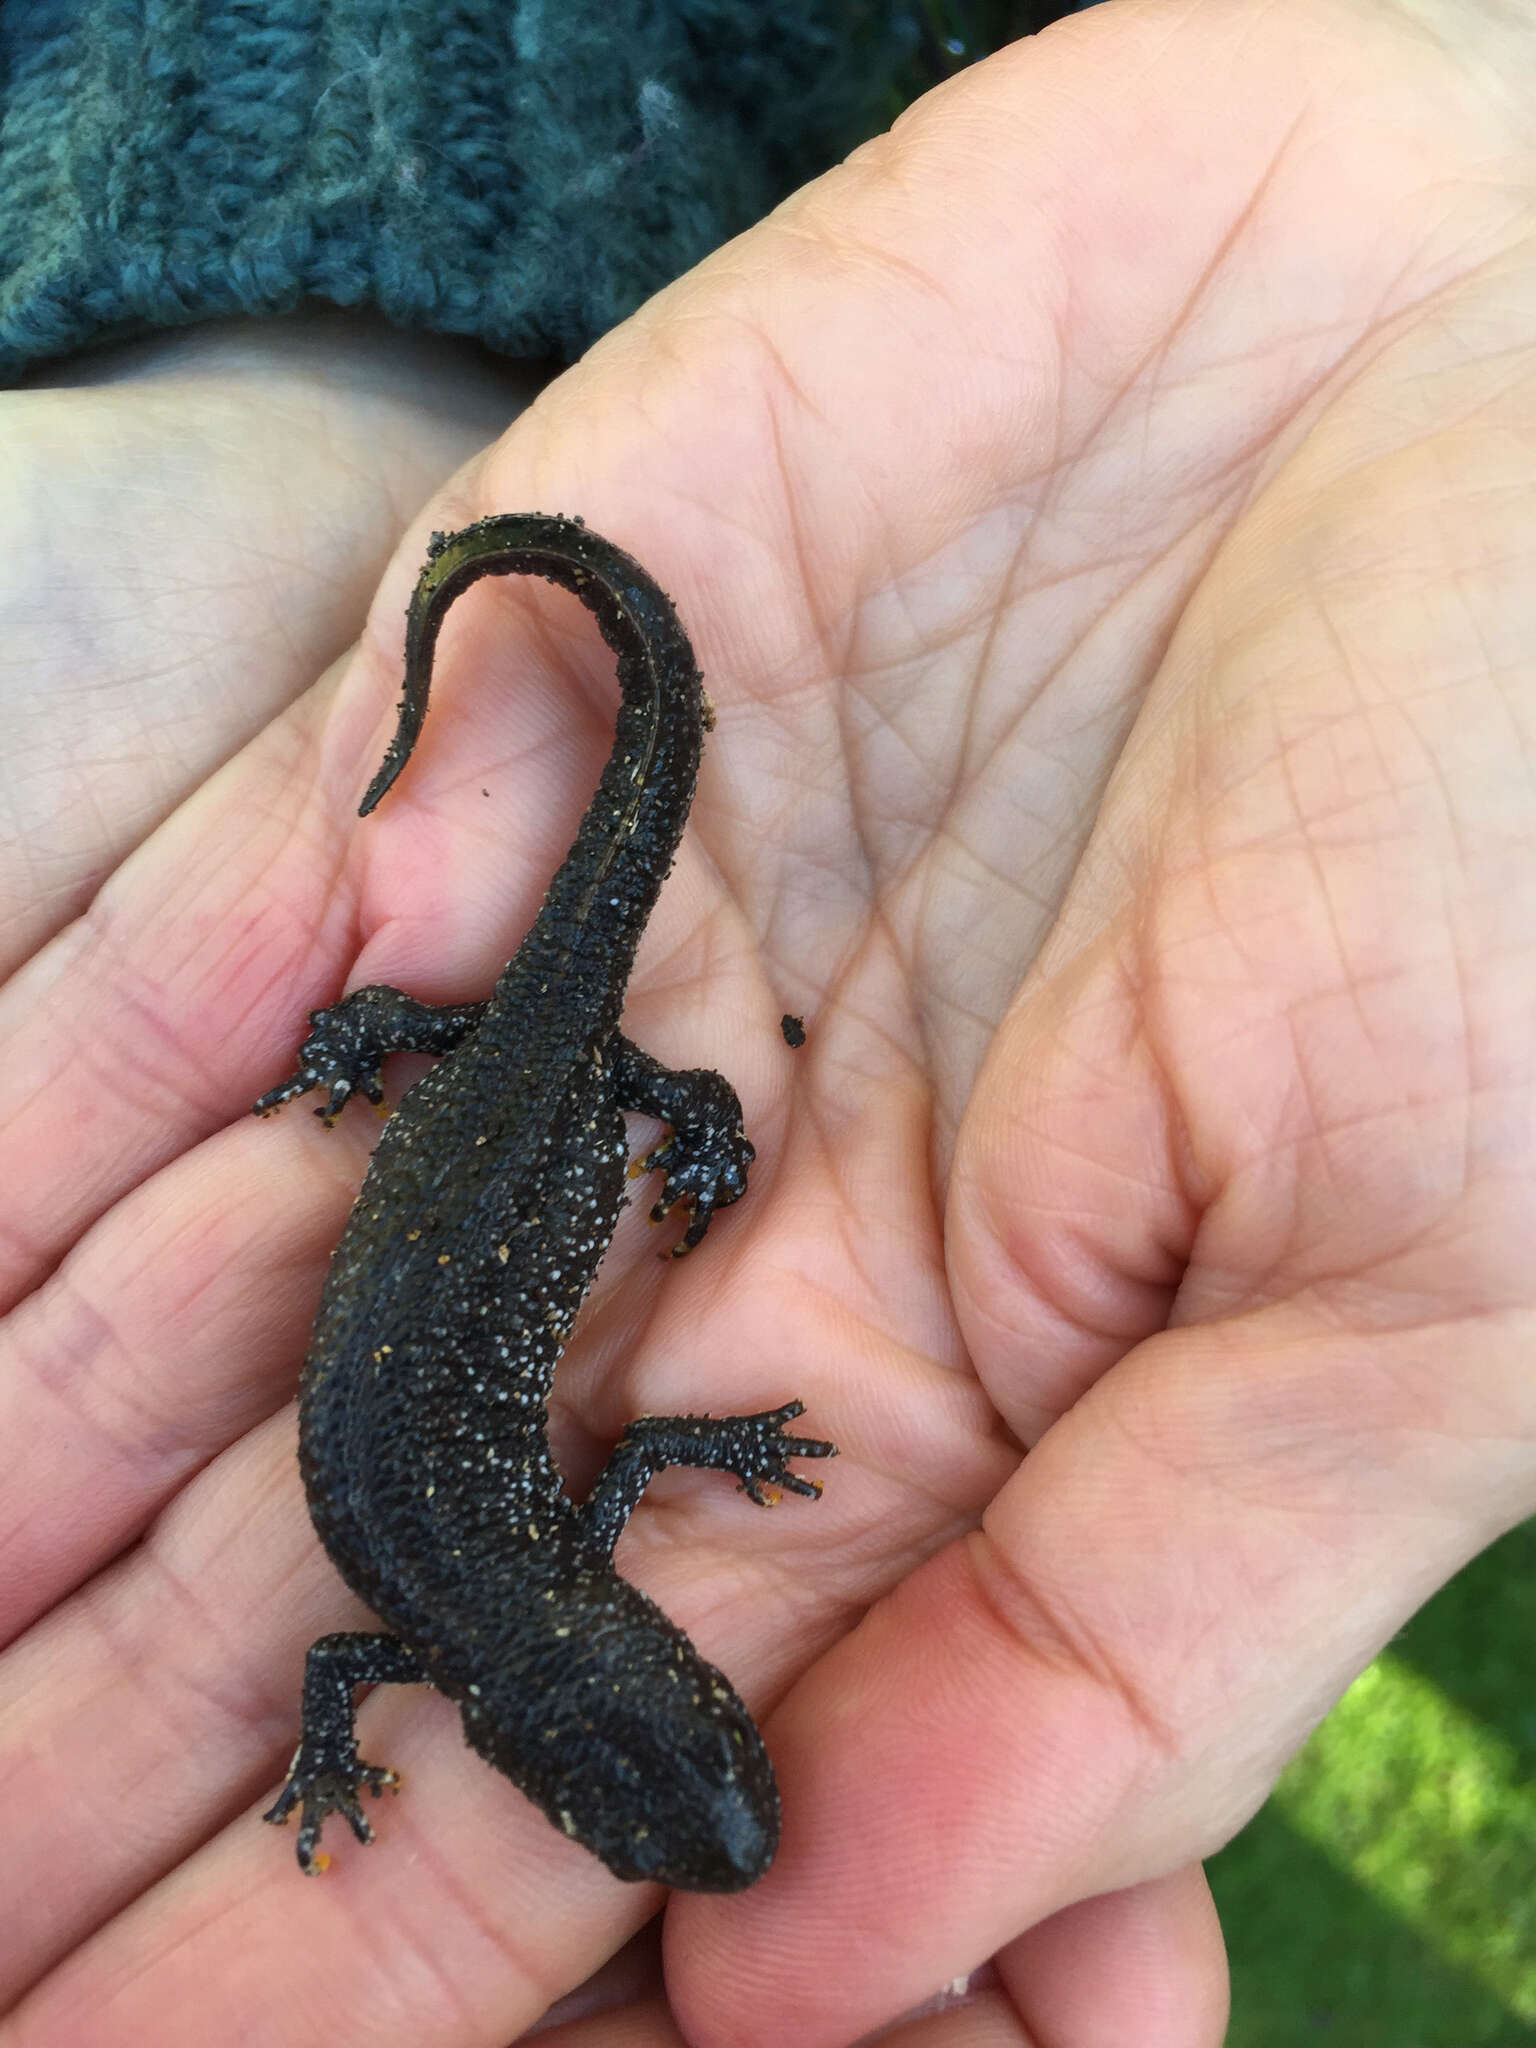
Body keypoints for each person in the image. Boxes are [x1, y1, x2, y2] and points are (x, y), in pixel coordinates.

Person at [1, 0, 1531, 2041]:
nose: (691, 1770)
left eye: (664, 1764)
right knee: (604, 1056)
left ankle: (518, 746)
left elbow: (565, 1508)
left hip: (519, 1099)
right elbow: (584, 1492)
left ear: (604, 1698)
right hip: (497, 1088)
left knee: (611, 1019)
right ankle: (477, 919)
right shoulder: (459, 1621)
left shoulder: (476, 1598)